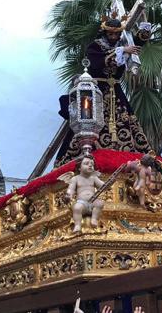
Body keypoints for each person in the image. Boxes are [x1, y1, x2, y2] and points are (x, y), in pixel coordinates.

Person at [55, 16, 152, 166]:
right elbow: (97, 62)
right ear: (105, 33)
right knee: (91, 118)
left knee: (126, 119)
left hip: (116, 90)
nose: (114, 37)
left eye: (116, 34)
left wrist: (145, 25)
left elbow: (137, 42)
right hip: (98, 90)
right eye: (110, 34)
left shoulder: (123, 43)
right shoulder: (95, 46)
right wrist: (122, 50)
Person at [64, 155, 105, 233]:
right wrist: (68, 195)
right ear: (79, 167)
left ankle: (94, 218)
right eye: (86, 163)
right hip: (82, 203)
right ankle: (77, 225)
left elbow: (101, 185)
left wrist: (107, 184)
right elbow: (71, 189)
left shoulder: (94, 178)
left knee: (100, 203)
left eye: (92, 165)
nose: (90, 165)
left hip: (93, 202)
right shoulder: (75, 179)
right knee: (77, 208)